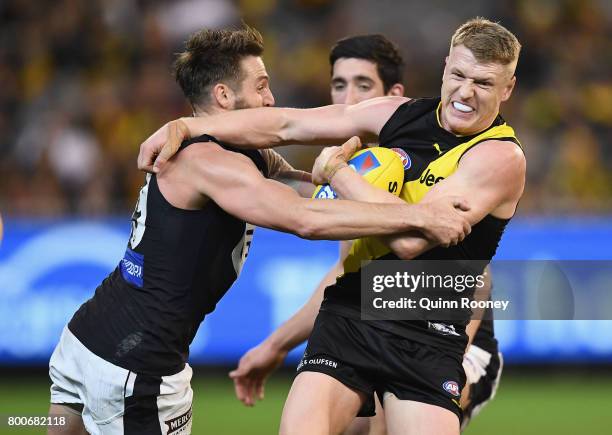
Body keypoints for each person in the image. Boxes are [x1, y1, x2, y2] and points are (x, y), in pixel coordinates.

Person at [48, 25, 471, 435]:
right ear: (224, 95)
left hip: (88, 339)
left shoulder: (244, 155)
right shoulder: (207, 162)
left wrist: (367, 171)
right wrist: (419, 217)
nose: (272, 98)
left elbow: (318, 189)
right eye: (262, 86)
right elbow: (305, 218)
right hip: (136, 364)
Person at [138, 17, 525, 435]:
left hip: (428, 328)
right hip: (352, 312)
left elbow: (413, 242)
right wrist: (193, 125)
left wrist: (338, 172)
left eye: (483, 83)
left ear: (507, 89)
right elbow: (288, 124)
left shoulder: (499, 158)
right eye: (459, 75)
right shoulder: (400, 114)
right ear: (446, 65)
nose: (465, 92)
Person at [228, 34, 504, 434]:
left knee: (379, 424)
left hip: (457, 337)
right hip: (378, 322)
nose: (348, 99)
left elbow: (478, 276)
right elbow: (348, 273)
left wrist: (455, 355)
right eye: (339, 85)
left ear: (390, 96)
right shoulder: (363, 168)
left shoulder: (428, 153)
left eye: (362, 85)